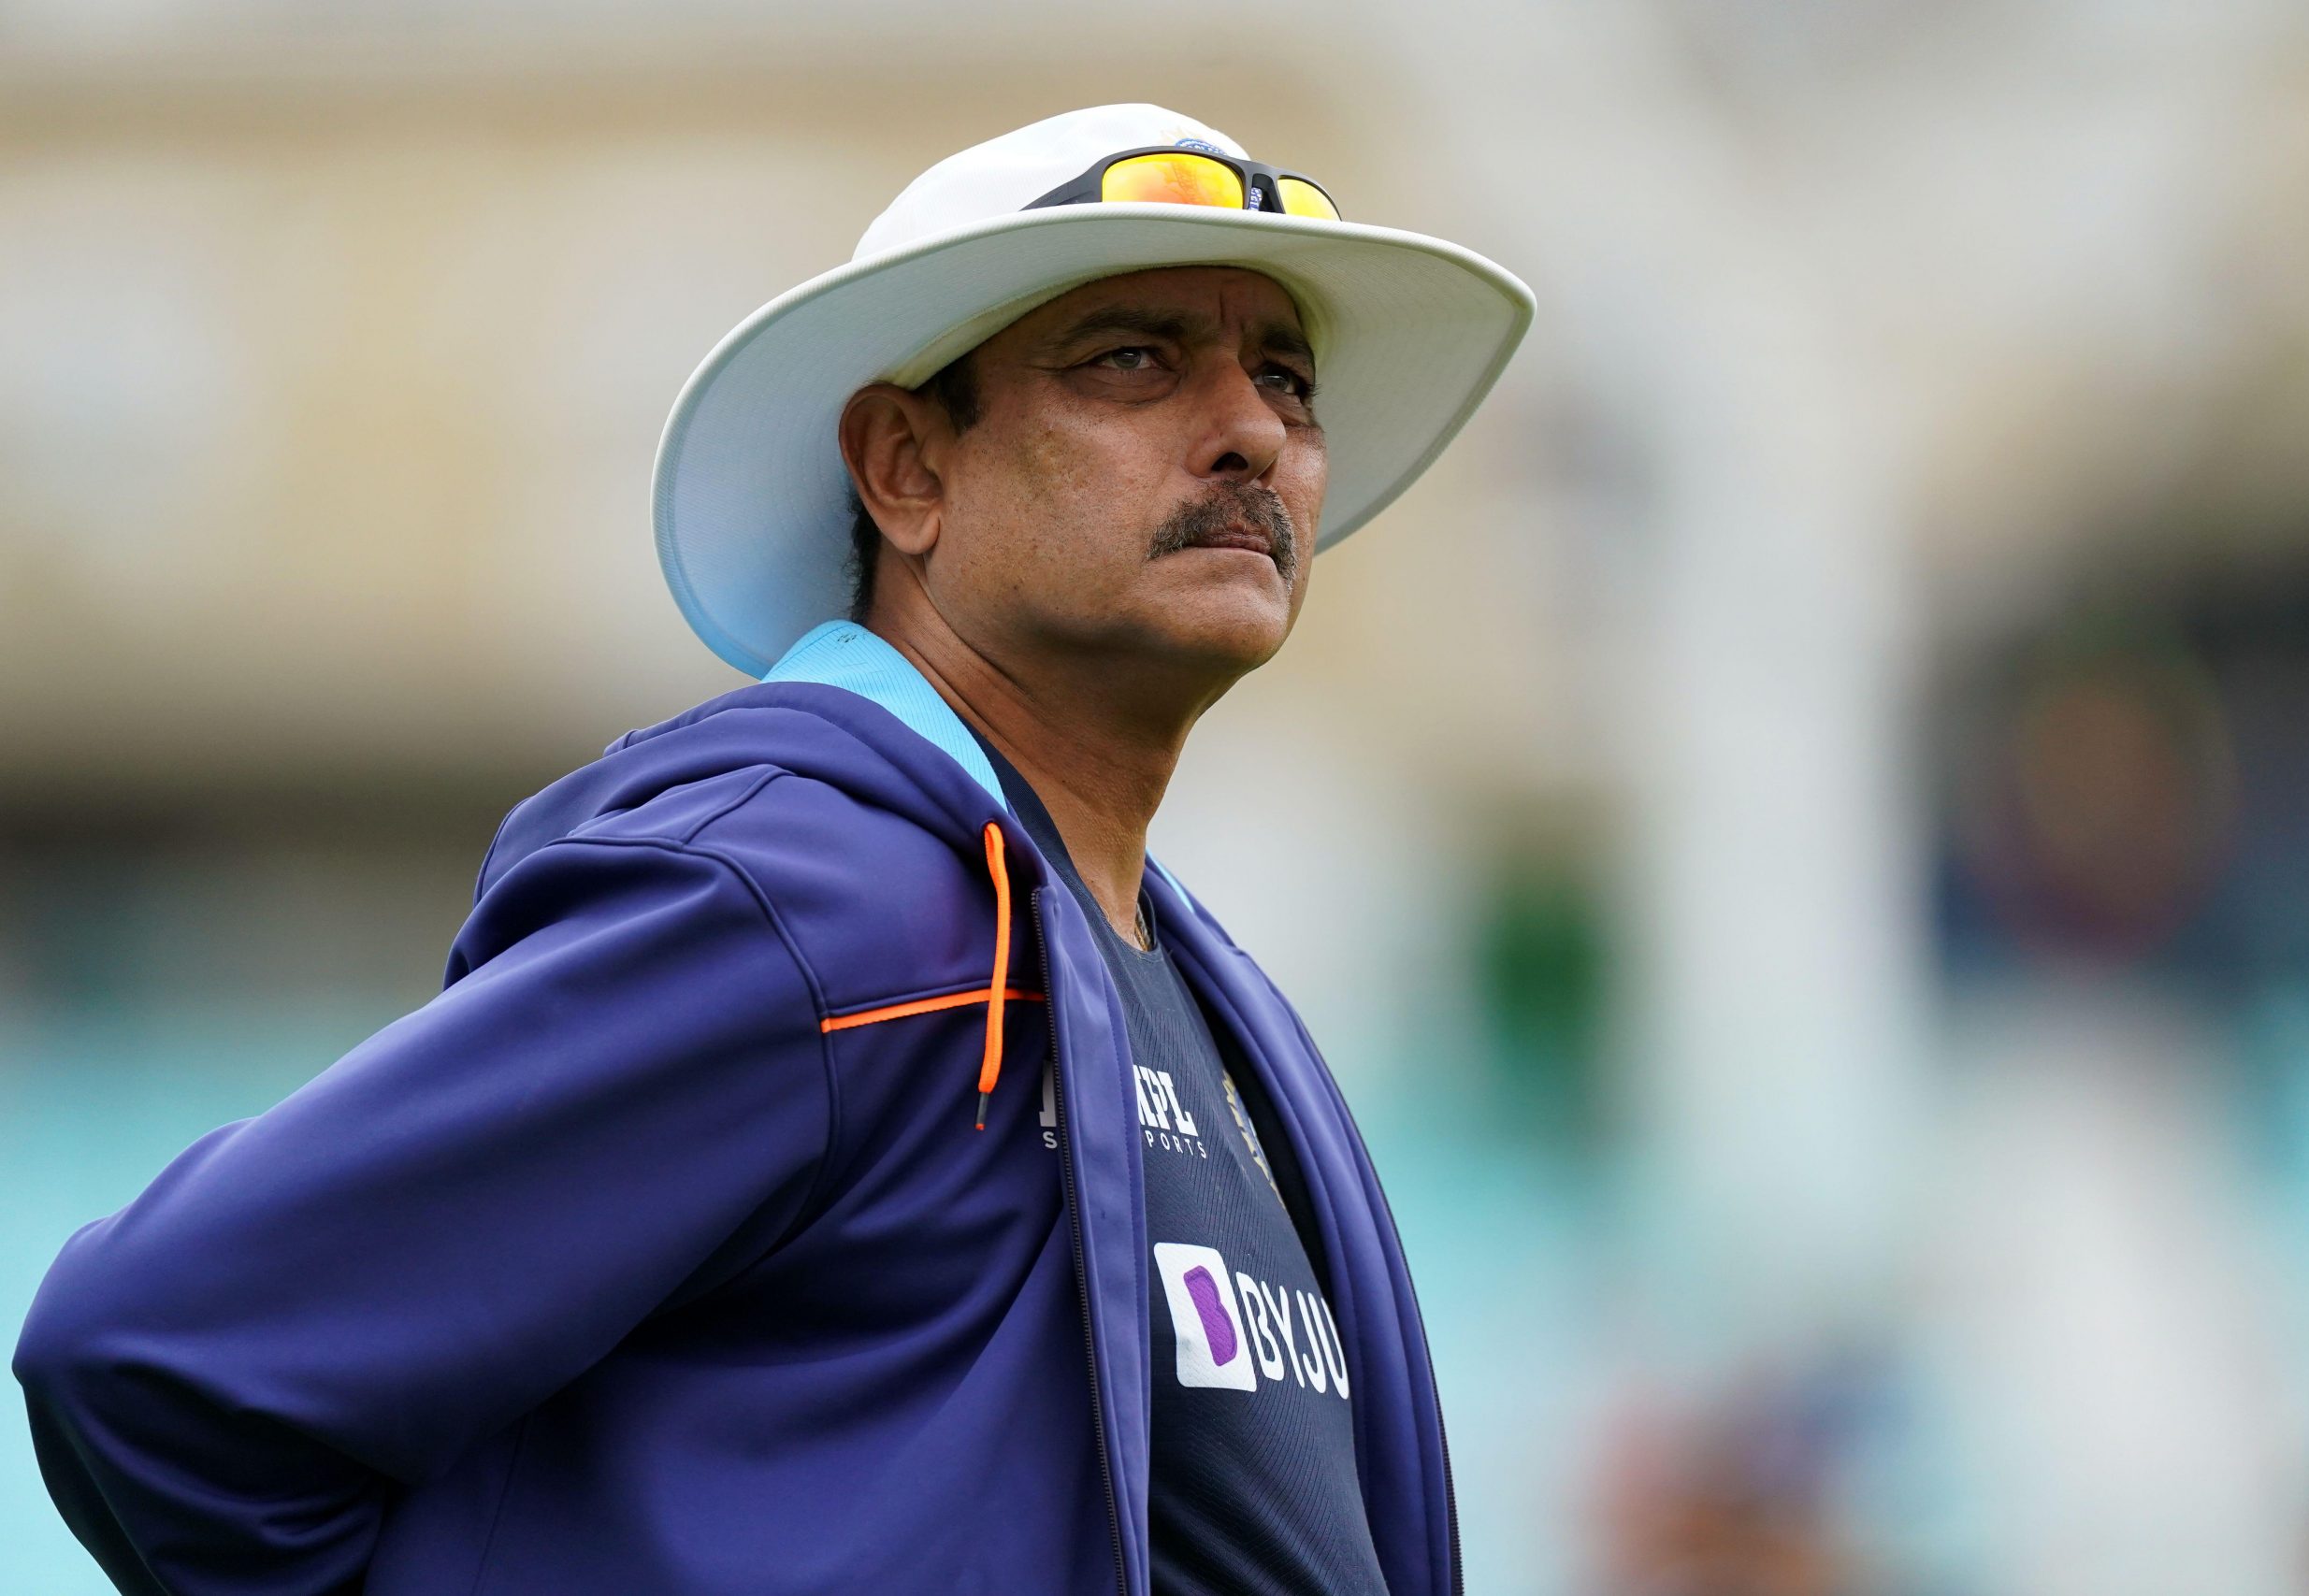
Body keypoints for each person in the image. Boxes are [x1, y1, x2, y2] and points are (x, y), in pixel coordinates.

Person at [14, 103, 1533, 1595]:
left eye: (1287, 378)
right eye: (1132, 358)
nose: (1254, 429)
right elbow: (155, 1356)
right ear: (907, 468)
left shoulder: (1205, 998)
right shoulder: (810, 908)